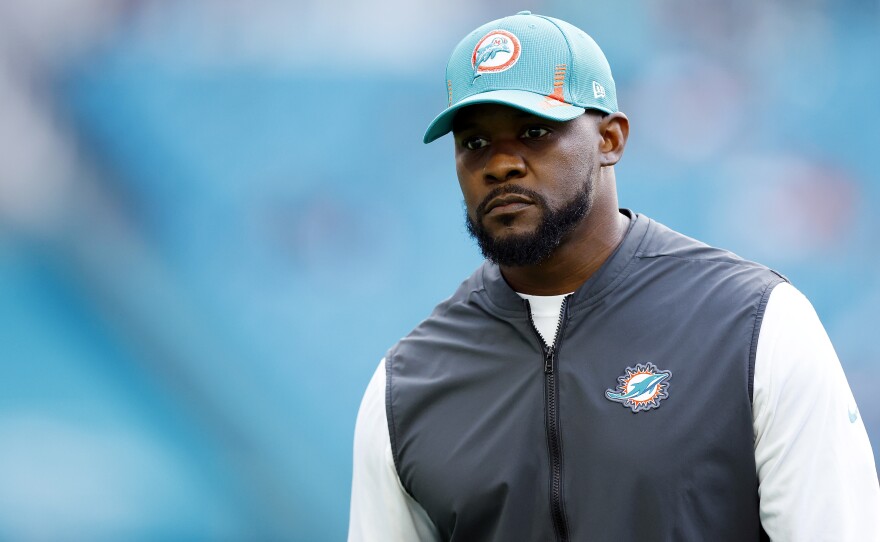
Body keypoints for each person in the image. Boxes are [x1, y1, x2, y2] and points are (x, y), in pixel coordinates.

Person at [348, 11, 880, 542]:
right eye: (475, 142)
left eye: (535, 131)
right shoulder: (405, 387)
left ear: (610, 139)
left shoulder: (756, 325)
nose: (501, 164)